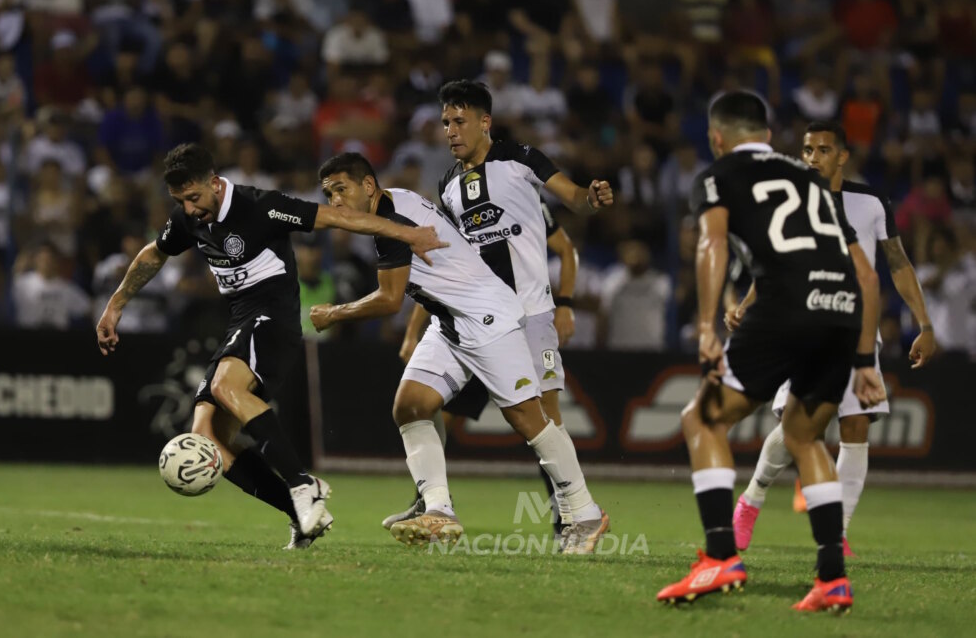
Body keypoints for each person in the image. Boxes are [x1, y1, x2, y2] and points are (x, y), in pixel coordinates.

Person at [96, 143, 446, 550]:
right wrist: (115, 305)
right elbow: (154, 253)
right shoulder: (189, 219)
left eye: (194, 198)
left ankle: (303, 483)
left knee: (228, 389)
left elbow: (338, 218)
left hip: (272, 320)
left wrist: (408, 234)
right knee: (208, 435)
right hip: (241, 322)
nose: (189, 209)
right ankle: (299, 513)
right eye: (180, 201)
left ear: (214, 183)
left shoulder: (259, 205)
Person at [309, 152, 611, 554]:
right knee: (412, 405)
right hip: (450, 323)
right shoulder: (395, 202)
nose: (335, 203)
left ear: (367, 186)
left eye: (341, 190)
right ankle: (438, 508)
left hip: (488, 319)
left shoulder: (392, 224)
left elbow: (389, 299)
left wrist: (334, 313)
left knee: (528, 419)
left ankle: (584, 511)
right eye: (328, 194)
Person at [656, 93, 885, 612]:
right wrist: (865, 361)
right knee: (806, 435)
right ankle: (832, 578)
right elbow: (867, 275)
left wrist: (707, 325)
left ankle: (719, 555)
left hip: (785, 304)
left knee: (703, 419)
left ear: (718, 137)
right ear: (767, 132)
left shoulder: (719, 176)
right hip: (842, 311)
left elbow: (711, 244)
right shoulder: (814, 180)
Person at [383, 79, 609, 550]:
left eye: (459, 120)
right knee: (419, 403)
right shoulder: (446, 187)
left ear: (485, 121)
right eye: (445, 122)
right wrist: (415, 328)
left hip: (528, 315)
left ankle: (576, 518)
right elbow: (444, 266)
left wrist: (592, 196)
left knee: (541, 419)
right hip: (471, 322)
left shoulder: (520, 161)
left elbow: (571, 196)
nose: (450, 130)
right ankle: (432, 502)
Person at [731, 121, 938, 555]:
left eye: (823, 150)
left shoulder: (871, 202)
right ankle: (751, 500)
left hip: (856, 330)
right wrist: (749, 305)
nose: (813, 158)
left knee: (856, 426)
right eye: (808, 150)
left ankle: (836, 534)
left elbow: (896, 263)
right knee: (795, 426)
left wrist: (925, 323)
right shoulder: (787, 198)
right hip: (800, 326)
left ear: (842, 156)